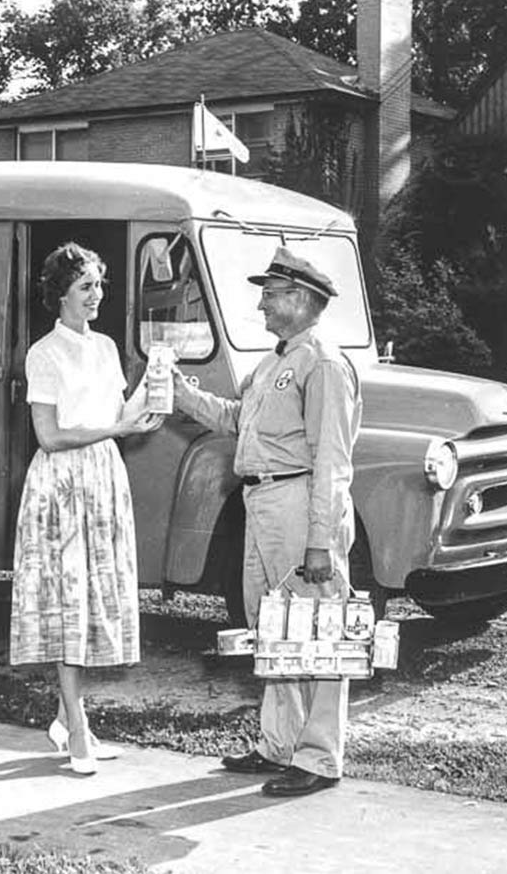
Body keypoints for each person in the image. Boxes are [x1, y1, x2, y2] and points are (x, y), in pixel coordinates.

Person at [172, 245, 362, 798]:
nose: (261, 303)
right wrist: (183, 395)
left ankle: (320, 756)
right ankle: (279, 744)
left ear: (301, 300)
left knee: (319, 633)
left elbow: (333, 458)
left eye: (271, 293)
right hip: (263, 502)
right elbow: (237, 420)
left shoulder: (322, 363)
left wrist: (321, 541)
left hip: (302, 503)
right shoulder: (274, 362)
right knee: (274, 627)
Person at [10, 241, 162, 775]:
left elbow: (120, 412)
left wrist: (157, 389)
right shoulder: (43, 354)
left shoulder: (104, 348)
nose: (97, 295)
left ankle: (66, 719)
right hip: (61, 486)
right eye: (86, 286)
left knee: (95, 600)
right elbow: (48, 436)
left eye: (100, 284)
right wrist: (117, 429)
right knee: (68, 602)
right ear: (61, 294)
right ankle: (76, 727)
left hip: (103, 479)